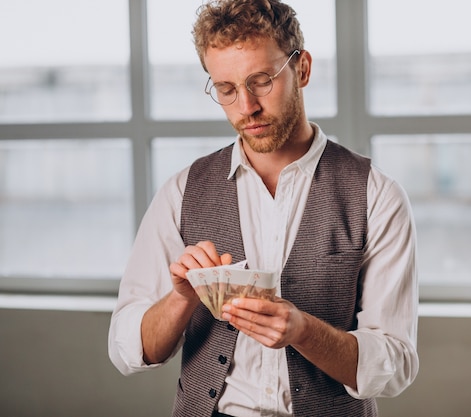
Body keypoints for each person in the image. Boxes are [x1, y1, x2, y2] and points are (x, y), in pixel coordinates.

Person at [108, 0, 418, 416]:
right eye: (226, 89)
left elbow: (395, 364)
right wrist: (182, 297)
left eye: (261, 81)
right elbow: (128, 350)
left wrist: (304, 331)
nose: (246, 107)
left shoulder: (377, 195)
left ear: (302, 68)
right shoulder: (182, 191)